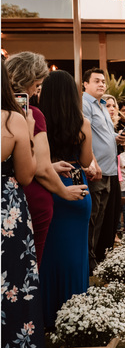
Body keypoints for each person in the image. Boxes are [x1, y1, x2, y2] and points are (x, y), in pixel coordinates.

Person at [5, 52, 88, 264]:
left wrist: (50, 165)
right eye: (37, 84)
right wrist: (64, 191)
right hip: (28, 198)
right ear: (28, 81)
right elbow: (39, 169)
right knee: (29, 266)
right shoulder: (31, 115)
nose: (36, 91)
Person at [38, 70, 94, 331]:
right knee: (76, 257)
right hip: (75, 184)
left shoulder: (36, 121)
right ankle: (74, 317)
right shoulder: (81, 122)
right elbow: (85, 161)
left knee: (47, 256)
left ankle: (46, 317)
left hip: (47, 187)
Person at [2, 68, 45, 348]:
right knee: (13, 285)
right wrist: (28, 131)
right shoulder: (13, 119)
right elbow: (27, 175)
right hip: (8, 213)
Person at [81, 68, 125, 269]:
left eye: (103, 81)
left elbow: (102, 135)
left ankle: (95, 258)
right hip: (96, 170)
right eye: (96, 81)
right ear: (85, 84)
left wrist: (117, 138)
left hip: (109, 170)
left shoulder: (101, 105)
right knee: (92, 218)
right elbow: (83, 134)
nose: (101, 84)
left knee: (100, 218)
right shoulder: (84, 104)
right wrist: (92, 162)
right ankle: (88, 261)